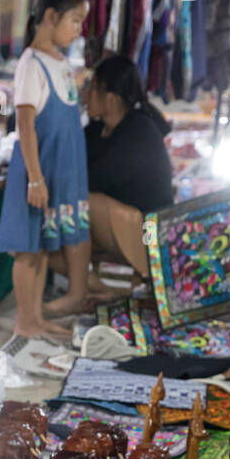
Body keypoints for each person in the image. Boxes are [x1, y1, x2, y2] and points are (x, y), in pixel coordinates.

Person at [0, 0, 90, 339]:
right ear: (51, 16)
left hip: (60, 171)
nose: (78, 30)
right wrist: (35, 177)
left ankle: (35, 318)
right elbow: (26, 125)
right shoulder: (31, 64)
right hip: (37, 171)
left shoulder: (60, 62)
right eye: (75, 20)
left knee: (44, 246)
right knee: (26, 249)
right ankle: (26, 320)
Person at [80, 54, 173, 287]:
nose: (86, 95)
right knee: (61, 202)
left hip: (150, 234)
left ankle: (88, 287)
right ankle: (87, 285)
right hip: (125, 223)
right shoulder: (99, 129)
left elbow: (93, 179)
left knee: (79, 202)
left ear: (111, 99)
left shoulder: (139, 132)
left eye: (93, 88)